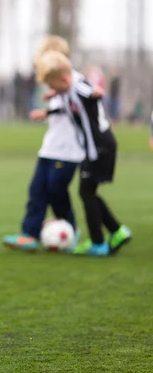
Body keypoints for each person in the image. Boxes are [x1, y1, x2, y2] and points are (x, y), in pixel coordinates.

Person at [35, 51, 132, 256]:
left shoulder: (79, 86)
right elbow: (69, 106)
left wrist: (96, 92)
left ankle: (99, 242)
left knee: (86, 193)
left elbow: (90, 91)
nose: (52, 90)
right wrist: (48, 110)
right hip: (96, 148)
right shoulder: (68, 87)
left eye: (52, 86)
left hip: (98, 148)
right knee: (88, 192)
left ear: (63, 78)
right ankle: (116, 231)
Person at [3, 35, 86, 251]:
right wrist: (47, 110)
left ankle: (71, 229)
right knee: (37, 189)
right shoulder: (58, 84)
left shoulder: (75, 82)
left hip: (69, 151)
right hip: (50, 148)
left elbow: (80, 103)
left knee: (56, 190)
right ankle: (29, 234)